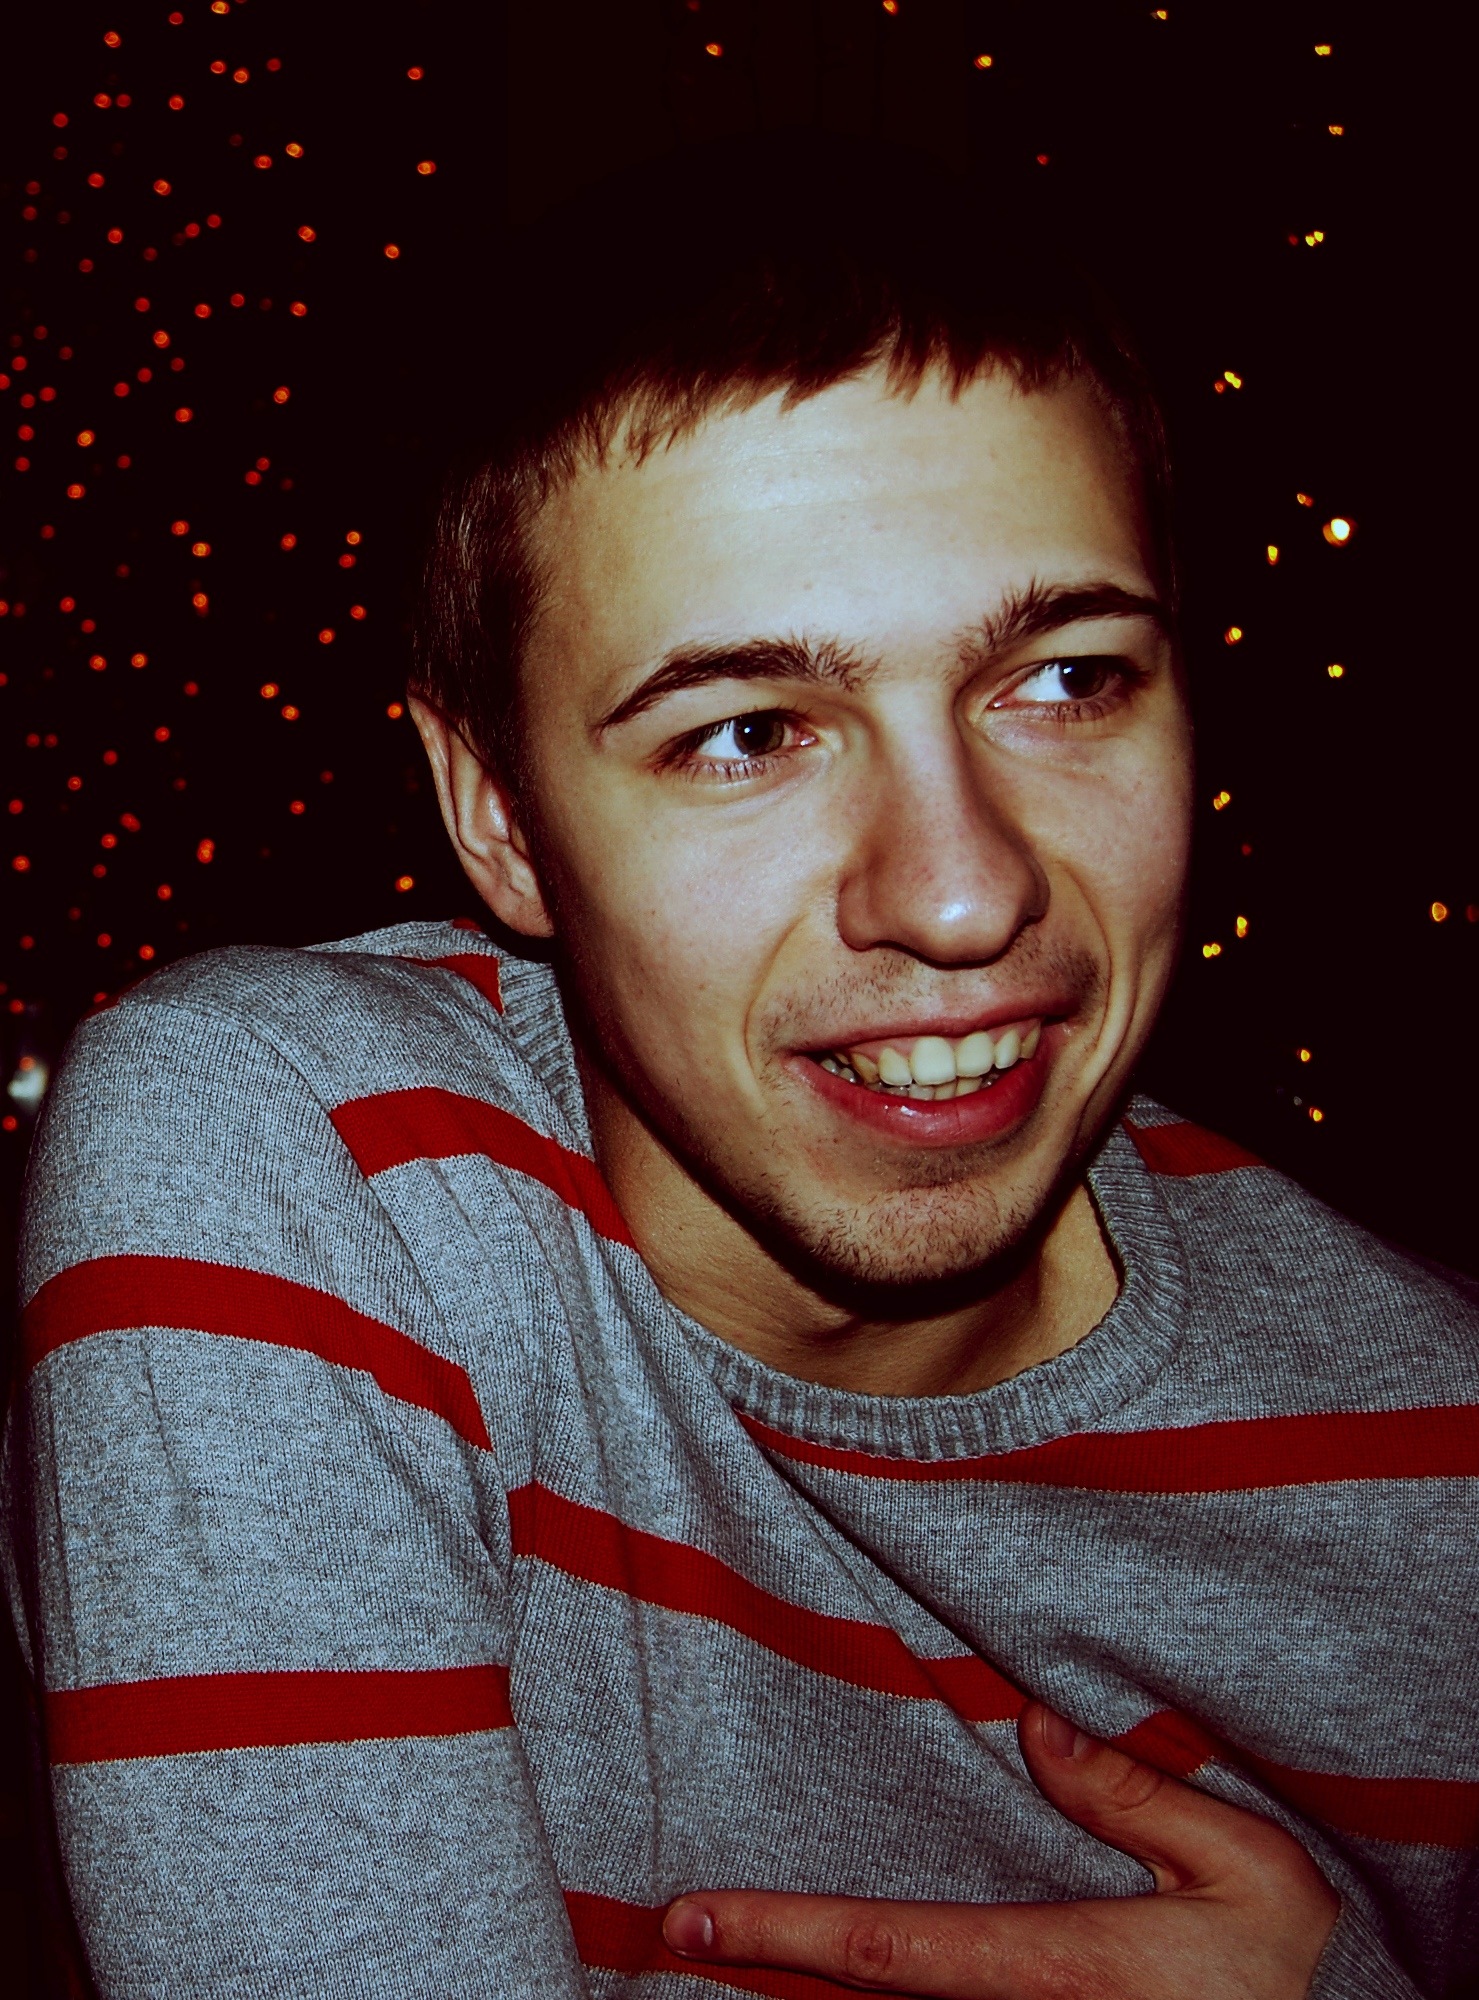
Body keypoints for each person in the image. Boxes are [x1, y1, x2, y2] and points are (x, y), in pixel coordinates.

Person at [4, 142, 1475, 2000]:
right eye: (749, 733)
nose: (963, 891)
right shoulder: (309, 1172)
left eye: (1067, 682)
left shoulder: (1443, 1484)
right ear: (500, 817)